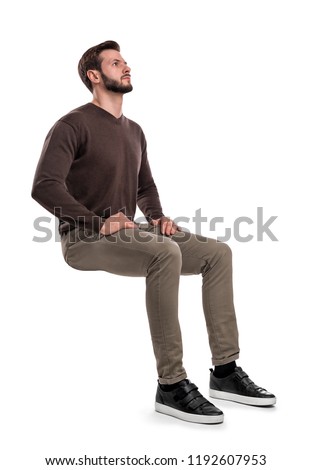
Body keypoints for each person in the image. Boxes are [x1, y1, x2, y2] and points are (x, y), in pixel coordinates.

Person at [31, 40, 276, 425]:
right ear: (95, 76)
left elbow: (144, 187)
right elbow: (45, 186)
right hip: (85, 238)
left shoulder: (134, 130)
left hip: (127, 230)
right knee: (166, 254)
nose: (126, 67)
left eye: (126, 62)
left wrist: (158, 217)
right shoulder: (72, 125)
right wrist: (98, 222)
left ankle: (226, 372)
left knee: (218, 254)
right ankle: (172, 384)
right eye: (116, 63)